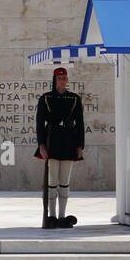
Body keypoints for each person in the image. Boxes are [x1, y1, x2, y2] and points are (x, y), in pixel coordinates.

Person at [34, 66, 85, 228]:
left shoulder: (74, 99)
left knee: (64, 181)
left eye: (64, 78)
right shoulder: (46, 98)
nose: (62, 81)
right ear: (54, 80)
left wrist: (80, 145)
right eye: (59, 78)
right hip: (52, 140)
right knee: (52, 180)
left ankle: (62, 216)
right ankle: (52, 216)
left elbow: (80, 124)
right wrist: (41, 144)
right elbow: (40, 123)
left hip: (69, 140)